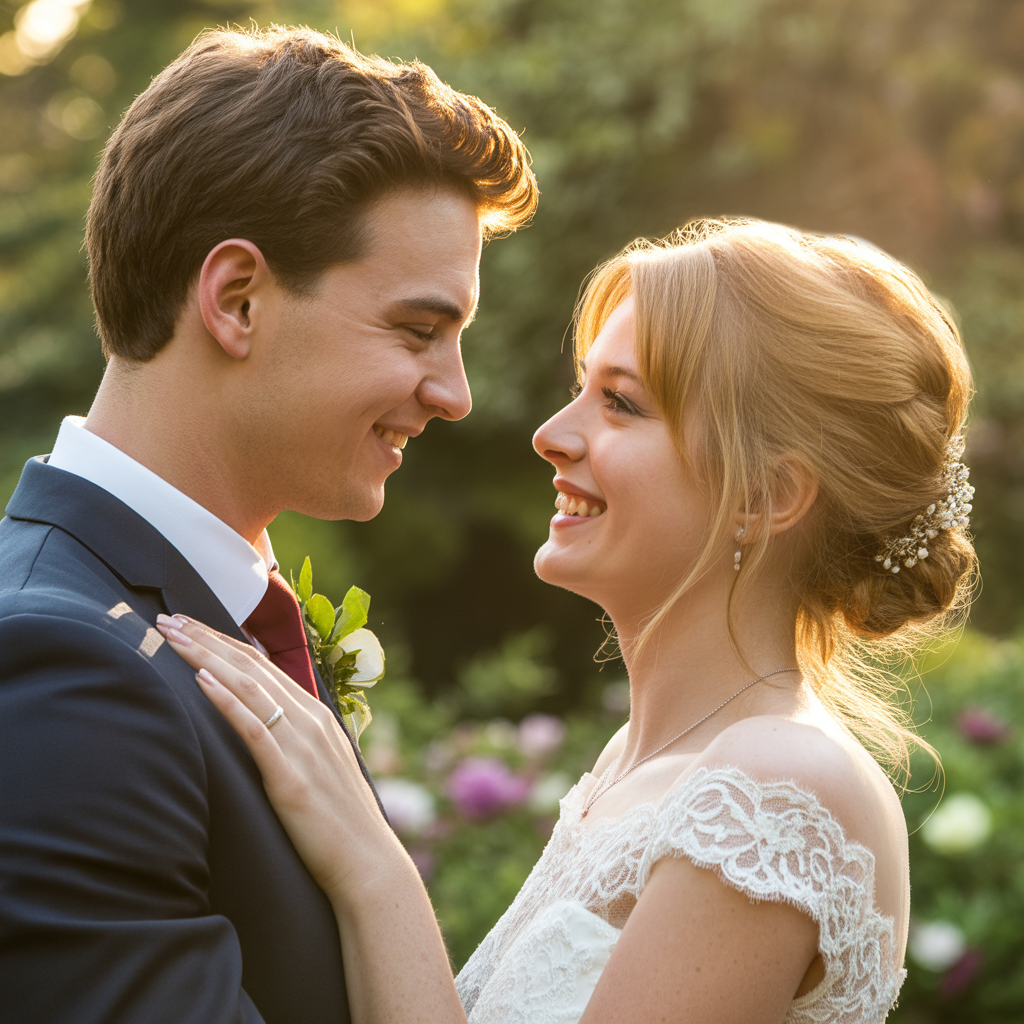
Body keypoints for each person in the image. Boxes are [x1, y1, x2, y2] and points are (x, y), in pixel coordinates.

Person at [159, 217, 977, 1024]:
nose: (552, 437)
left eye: (620, 404)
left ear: (769, 496)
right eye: (580, 389)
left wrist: (375, 872)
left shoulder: (780, 781)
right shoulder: (638, 764)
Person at [0, 26, 536, 1024]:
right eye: (419, 330)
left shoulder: (200, 621)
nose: (454, 394)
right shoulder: (60, 673)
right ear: (237, 300)